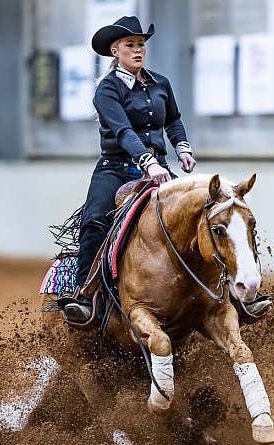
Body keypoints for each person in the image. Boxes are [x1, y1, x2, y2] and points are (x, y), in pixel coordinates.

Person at [64, 15, 197, 323]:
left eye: (140, 45)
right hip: (116, 169)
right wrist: (147, 162)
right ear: (116, 51)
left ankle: (224, 291)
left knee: (197, 213)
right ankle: (87, 296)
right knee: (95, 220)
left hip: (158, 168)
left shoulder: (160, 83)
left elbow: (173, 119)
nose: (138, 50)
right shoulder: (107, 90)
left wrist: (182, 147)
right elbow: (123, 131)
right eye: (130, 45)